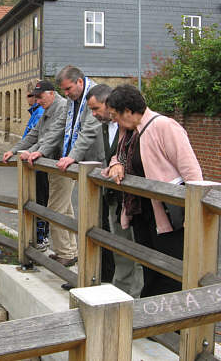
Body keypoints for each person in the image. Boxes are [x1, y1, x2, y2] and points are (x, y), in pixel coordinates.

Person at [102, 84, 203, 297]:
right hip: (141, 211)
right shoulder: (128, 131)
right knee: (149, 266)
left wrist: (194, 213)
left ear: (128, 111)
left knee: (170, 270)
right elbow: (119, 156)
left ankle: (167, 314)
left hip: (167, 212)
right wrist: (116, 164)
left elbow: (191, 171)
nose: (114, 121)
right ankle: (150, 312)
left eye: (115, 115)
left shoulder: (164, 126)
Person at [28, 66, 103, 267]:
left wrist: (71, 156)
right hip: (74, 162)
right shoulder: (72, 101)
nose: (66, 94)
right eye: (64, 91)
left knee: (95, 218)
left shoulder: (94, 96)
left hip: (96, 162)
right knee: (66, 209)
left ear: (80, 81)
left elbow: (89, 131)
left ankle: (90, 267)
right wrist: (42, 150)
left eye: (68, 89)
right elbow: (59, 128)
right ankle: (71, 253)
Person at [2, 80, 77, 266]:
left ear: (51, 93)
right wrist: (14, 150)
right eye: (35, 97)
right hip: (54, 164)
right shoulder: (48, 109)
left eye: (40, 96)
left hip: (61, 165)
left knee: (55, 209)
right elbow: (35, 134)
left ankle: (66, 253)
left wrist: (35, 151)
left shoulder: (62, 108)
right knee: (65, 210)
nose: (37, 101)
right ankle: (69, 250)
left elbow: (52, 136)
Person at [86, 84, 143, 297]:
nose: (94, 114)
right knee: (120, 247)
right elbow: (114, 156)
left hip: (134, 200)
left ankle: (136, 296)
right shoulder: (104, 126)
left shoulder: (132, 125)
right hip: (114, 198)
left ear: (109, 104)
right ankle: (120, 292)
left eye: (96, 108)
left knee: (137, 249)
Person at [22, 83, 49, 251]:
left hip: (39, 163)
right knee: (34, 199)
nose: (31, 99)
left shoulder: (39, 113)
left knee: (40, 200)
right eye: (29, 96)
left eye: (34, 96)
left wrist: (28, 152)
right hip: (32, 163)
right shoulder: (35, 113)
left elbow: (38, 139)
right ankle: (36, 235)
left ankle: (41, 237)